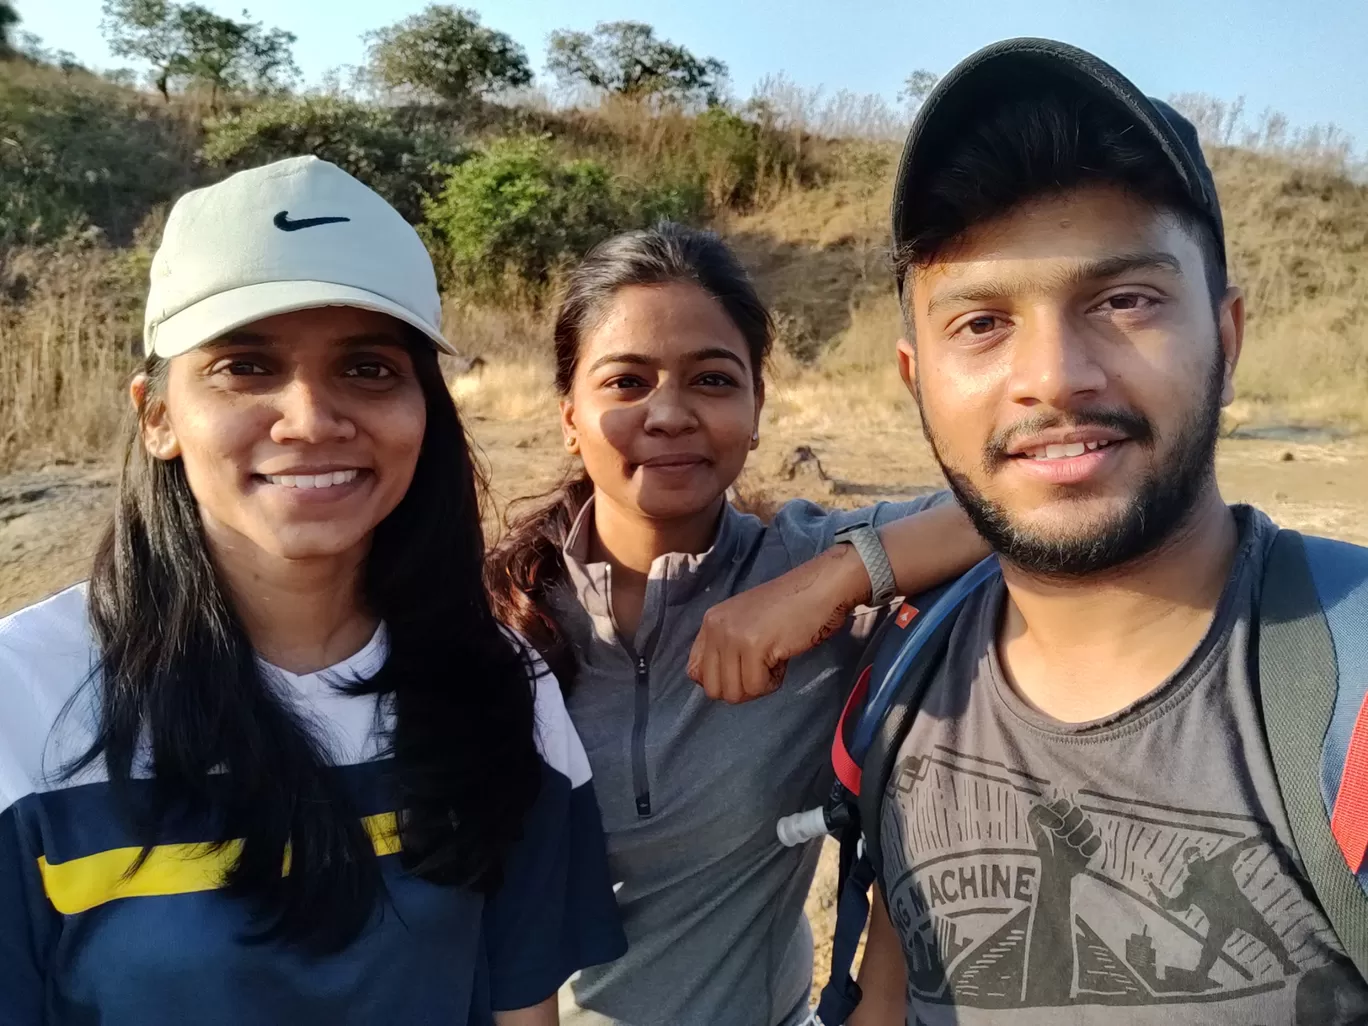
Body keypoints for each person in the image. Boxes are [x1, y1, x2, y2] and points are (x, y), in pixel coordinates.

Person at [702, 38, 1368, 1026]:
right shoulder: (905, 680)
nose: (1053, 377)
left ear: (1226, 341)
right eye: (980, 323)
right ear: (914, 375)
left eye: (1125, 300)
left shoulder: (1345, 701)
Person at [0, 156, 625, 1026]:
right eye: (245, 367)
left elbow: (523, 1012)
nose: (311, 418)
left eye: (368, 369)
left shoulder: (498, 687)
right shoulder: (22, 707)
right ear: (157, 415)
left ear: (424, 411)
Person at [484, 222, 990, 1026]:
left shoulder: (804, 562)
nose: (671, 414)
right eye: (626, 382)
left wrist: (836, 578)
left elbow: (1025, 508)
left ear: (756, 408)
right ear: (568, 414)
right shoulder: (497, 619)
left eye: (713, 380)